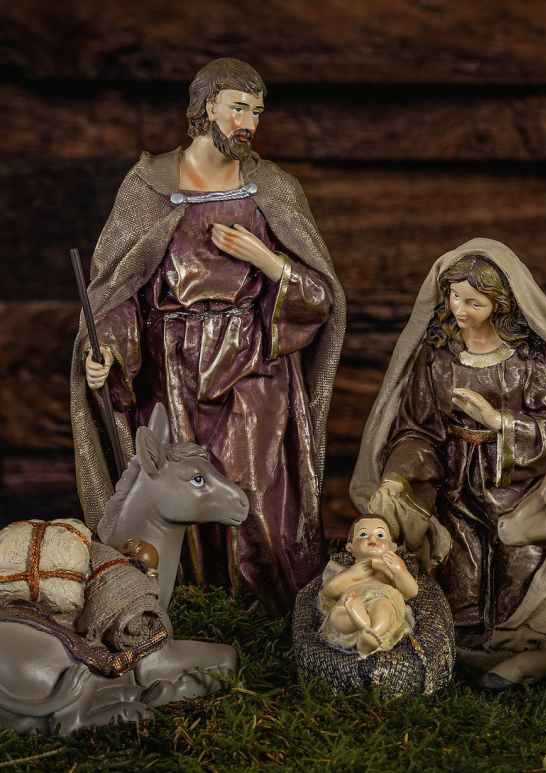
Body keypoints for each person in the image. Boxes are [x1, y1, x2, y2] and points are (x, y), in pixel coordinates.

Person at [70, 58, 345, 614]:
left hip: (251, 363)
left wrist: (268, 261)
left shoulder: (272, 189)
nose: (249, 123)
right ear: (205, 108)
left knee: (254, 483)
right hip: (171, 367)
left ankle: (263, 612)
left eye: (257, 112)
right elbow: (120, 292)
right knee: (177, 480)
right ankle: (191, 603)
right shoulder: (149, 187)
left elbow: (321, 298)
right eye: (238, 108)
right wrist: (109, 353)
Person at [351, 238, 546, 656]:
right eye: (455, 297)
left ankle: (523, 642)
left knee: (519, 574)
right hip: (457, 489)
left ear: (500, 304)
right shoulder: (438, 359)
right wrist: (399, 476)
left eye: (474, 302)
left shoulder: (531, 362)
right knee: (460, 580)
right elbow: (419, 430)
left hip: (521, 492)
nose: (460, 308)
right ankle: (465, 650)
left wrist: (498, 422)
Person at [319, 517, 418, 658]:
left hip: (382, 599)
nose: (372, 539)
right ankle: (365, 628)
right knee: (336, 616)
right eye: (363, 534)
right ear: (350, 547)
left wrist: (400, 570)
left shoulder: (390, 572)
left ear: (392, 547)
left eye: (380, 535)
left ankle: (372, 631)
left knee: (383, 608)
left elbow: (411, 591)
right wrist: (351, 575)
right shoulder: (349, 571)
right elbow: (329, 591)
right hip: (351, 603)